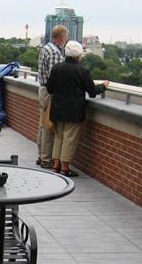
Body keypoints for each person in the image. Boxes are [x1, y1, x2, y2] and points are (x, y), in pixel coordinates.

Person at [45, 41, 109, 177]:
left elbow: (49, 88)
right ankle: (65, 167)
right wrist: (103, 85)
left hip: (57, 109)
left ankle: (56, 165)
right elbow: (92, 91)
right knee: (70, 138)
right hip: (74, 111)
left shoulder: (57, 68)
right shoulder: (82, 71)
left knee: (59, 137)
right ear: (79, 55)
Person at [36, 25, 69, 168]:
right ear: (61, 37)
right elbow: (55, 77)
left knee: (43, 124)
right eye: (66, 37)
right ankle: (46, 159)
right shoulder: (55, 52)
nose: (66, 40)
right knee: (49, 127)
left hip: (43, 90)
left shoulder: (45, 48)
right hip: (50, 93)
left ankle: (41, 156)